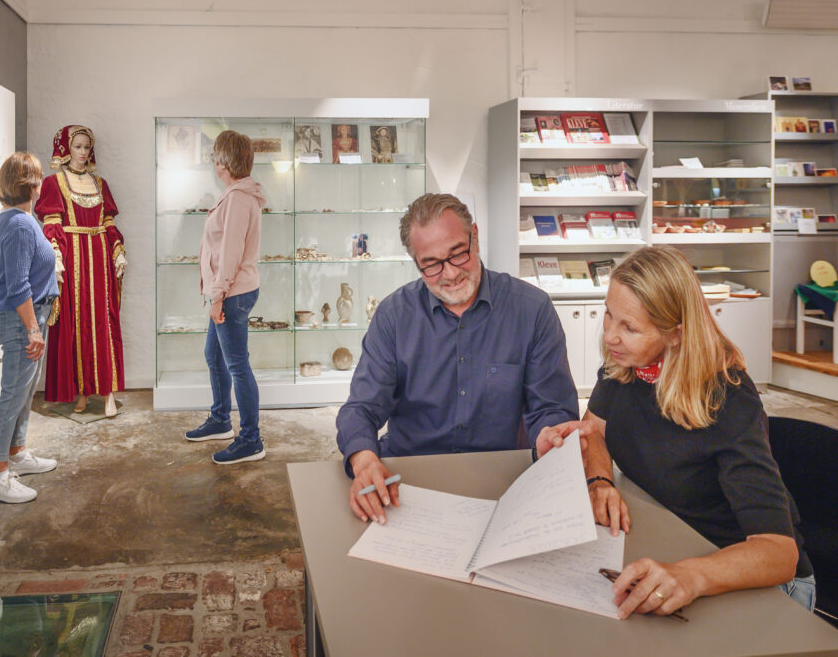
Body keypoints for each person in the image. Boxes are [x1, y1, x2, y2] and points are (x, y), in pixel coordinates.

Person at [536, 245, 815, 618]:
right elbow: (595, 430)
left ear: (675, 334)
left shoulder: (728, 398)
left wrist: (689, 575)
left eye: (629, 327)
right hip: (678, 544)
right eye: (608, 316)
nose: (609, 337)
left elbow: (778, 552)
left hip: (754, 583)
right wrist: (599, 479)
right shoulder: (625, 366)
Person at [336, 193, 579, 524]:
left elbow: (551, 408)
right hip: (406, 481)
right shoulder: (394, 316)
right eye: (432, 264)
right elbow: (361, 409)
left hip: (502, 485)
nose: (449, 274)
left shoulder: (532, 310)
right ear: (416, 262)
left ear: (475, 237)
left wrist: (549, 436)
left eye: (458, 254)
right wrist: (364, 462)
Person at [185, 130, 268, 464]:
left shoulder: (237, 198)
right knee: (214, 356)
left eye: (216, 155)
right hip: (229, 291)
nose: (213, 161)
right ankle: (220, 420)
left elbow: (230, 251)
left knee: (236, 365)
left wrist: (217, 297)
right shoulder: (237, 195)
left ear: (225, 161)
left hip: (231, 294)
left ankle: (251, 439)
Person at [35, 125, 126, 417]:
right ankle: (82, 392)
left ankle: (107, 391)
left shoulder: (100, 183)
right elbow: (51, 224)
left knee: (103, 321)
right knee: (76, 323)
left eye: (87, 147)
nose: (83, 153)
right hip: (73, 257)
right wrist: (57, 257)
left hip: (99, 258)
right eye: (78, 147)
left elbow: (108, 223)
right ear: (65, 149)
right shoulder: (54, 182)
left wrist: (118, 251)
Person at [0, 152, 59, 503]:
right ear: (30, 185)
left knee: (23, 393)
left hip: (30, 316)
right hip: (21, 320)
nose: (42, 184)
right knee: (13, 394)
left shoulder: (21, 219)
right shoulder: (17, 224)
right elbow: (16, 285)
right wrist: (33, 328)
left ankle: (17, 453)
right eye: (39, 178)